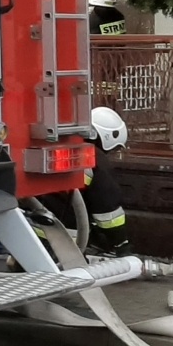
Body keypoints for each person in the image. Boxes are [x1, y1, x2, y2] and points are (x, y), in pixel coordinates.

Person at [43, 106, 133, 257]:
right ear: (107, 138)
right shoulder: (94, 158)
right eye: (114, 149)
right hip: (63, 242)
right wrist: (120, 243)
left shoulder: (56, 145)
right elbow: (108, 212)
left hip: (29, 234)